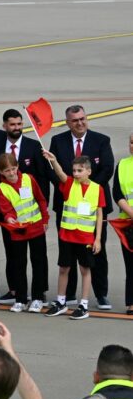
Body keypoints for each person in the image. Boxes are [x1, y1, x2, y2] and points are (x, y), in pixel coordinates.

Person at [48, 105, 114, 310]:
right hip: (67, 208)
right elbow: (53, 172)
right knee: (68, 253)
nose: (80, 123)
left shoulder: (101, 140)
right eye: (75, 120)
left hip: (93, 206)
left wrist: (88, 189)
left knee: (97, 252)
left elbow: (107, 169)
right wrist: (71, 190)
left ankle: (101, 294)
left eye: (83, 118)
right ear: (67, 122)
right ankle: (68, 295)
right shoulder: (57, 142)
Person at [43, 151, 105, 320]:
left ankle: (83, 304)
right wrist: (54, 161)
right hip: (67, 235)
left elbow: (99, 215)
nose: (76, 173)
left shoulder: (97, 189)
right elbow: (60, 174)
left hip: (85, 237)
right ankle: (61, 302)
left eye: (80, 170)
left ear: (89, 171)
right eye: (75, 170)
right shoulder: (70, 184)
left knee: (85, 269)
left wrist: (97, 238)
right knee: (64, 268)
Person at [0, 152, 50, 314]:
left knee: (39, 262)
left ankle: (38, 297)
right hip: (18, 231)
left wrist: (45, 219)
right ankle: (20, 299)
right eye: (7, 171)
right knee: (19, 264)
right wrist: (10, 218)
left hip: (36, 227)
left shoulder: (28, 179)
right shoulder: (2, 189)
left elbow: (40, 199)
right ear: (0, 172)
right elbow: (7, 210)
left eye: (13, 169)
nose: (11, 173)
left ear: (18, 166)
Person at [113, 133, 133, 314]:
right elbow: (117, 194)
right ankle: (131, 303)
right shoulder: (122, 166)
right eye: (132, 142)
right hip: (128, 223)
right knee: (131, 265)